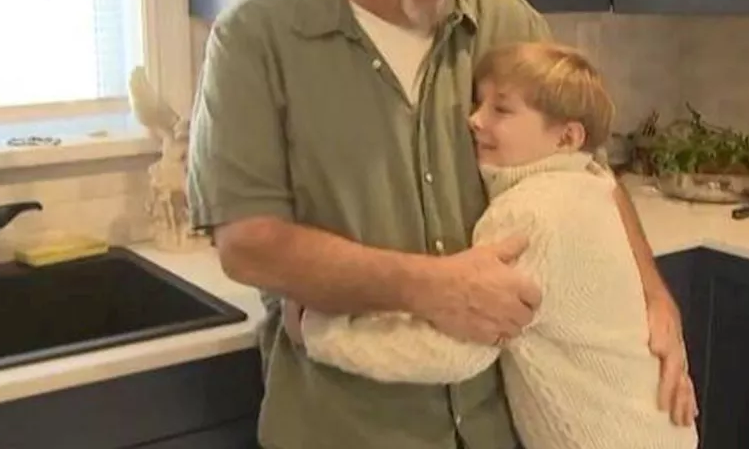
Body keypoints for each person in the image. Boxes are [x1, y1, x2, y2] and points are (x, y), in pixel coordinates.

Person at [187, 0, 695, 449]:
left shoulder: (506, 20)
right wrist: (431, 287)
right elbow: (249, 245)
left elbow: (585, 174)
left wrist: (655, 299)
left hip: (497, 426)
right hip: (347, 430)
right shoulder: (255, 41)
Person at [292, 41, 699, 449]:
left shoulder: (529, 215)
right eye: (478, 103)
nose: (474, 120)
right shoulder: (590, 187)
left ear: (566, 137)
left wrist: (322, 331)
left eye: (501, 109)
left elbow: (456, 350)